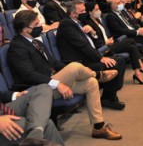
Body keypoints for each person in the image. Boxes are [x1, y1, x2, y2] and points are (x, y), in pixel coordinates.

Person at [9, 10, 122, 140]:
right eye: (36, 24)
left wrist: (68, 73)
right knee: (75, 66)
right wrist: (59, 83)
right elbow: (29, 75)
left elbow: (55, 63)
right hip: (38, 90)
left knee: (90, 83)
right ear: (25, 29)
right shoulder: (17, 47)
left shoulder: (36, 42)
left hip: (51, 82)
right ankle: (98, 74)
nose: (40, 26)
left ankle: (98, 127)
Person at [57, 1, 127, 111]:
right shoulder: (67, 24)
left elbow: (92, 42)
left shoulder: (79, 22)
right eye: (82, 11)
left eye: (84, 10)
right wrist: (101, 58)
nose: (85, 12)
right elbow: (82, 45)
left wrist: (92, 32)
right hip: (79, 62)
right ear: (73, 13)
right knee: (117, 62)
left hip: (88, 56)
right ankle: (109, 97)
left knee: (119, 60)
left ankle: (110, 95)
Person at [84, 2, 143, 85]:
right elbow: (93, 41)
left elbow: (104, 35)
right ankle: (141, 66)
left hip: (110, 43)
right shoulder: (88, 23)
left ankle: (138, 74)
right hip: (103, 48)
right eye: (96, 9)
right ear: (90, 12)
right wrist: (105, 42)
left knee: (132, 47)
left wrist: (109, 40)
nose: (99, 11)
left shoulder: (98, 20)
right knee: (131, 40)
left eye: (99, 8)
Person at [0, 84, 64, 145]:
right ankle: (35, 134)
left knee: (43, 89)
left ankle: (35, 133)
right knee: (47, 125)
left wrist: (15, 95)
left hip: (3, 107)